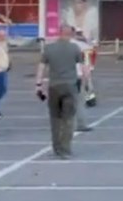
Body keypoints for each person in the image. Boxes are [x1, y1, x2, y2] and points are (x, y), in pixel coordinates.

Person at [36, 27, 87, 159]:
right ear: (71, 34)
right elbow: (83, 67)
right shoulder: (75, 48)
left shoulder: (49, 48)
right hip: (70, 86)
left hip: (54, 87)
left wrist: (39, 85)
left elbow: (41, 67)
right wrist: (86, 84)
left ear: (59, 33)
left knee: (55, 119)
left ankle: (56, 147)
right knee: (68, 119)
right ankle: (65, 148)